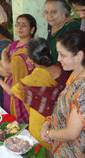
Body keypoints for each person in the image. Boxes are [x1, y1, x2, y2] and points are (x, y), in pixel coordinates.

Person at [12, 38, 68, 151]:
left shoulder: (32, 78)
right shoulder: (64, 68)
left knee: (40, 151)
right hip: (63, 122)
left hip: (40, 123)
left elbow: (13, 91)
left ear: (31, 59)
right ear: (50, 52)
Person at [40, 30, 85, 158]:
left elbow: (71, 133)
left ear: (79, 56)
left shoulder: (83, 88)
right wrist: (48, 122)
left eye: (62, 55)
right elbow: (65, 107)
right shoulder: (74, 74)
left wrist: (48, 132)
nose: (58, 59)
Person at [0, 14, 36, 124]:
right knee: (9, 121)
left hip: (21, 90)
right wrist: (4, 67)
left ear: (32, 29)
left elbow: (8, 69)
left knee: (21, 124)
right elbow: (1, 67)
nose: (19, 28)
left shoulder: (30, 48)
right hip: (8, 87)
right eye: (17, 24)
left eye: (24, 25)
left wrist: (3, 53)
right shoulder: (14, 44)